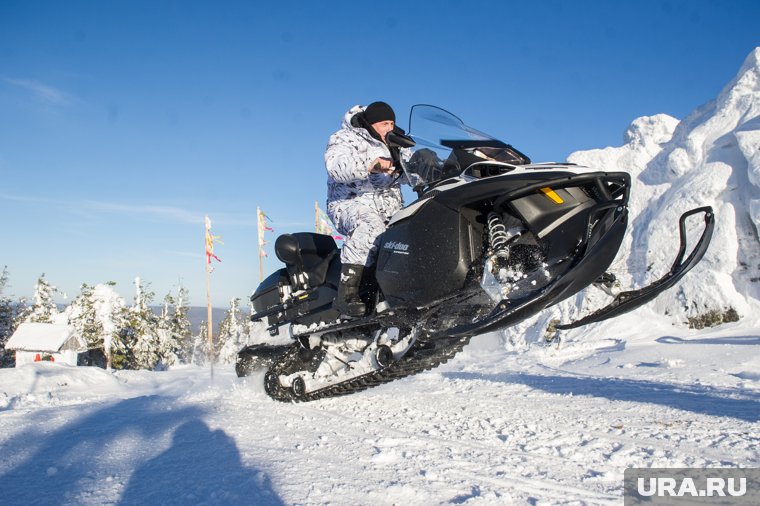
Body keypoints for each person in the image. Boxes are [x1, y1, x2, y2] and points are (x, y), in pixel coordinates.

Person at [324, 101, 405, 317]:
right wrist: (371, 164)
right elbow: (335, 167)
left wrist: (432, 163)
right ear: (370, 123)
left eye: (392, 123)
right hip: (348, 204)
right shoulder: (345, 138)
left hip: (388, 211)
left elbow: (414, 167)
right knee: (370, 224)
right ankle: (347, 294)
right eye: (384, 123)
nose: (390, 127)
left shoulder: (396, 143)